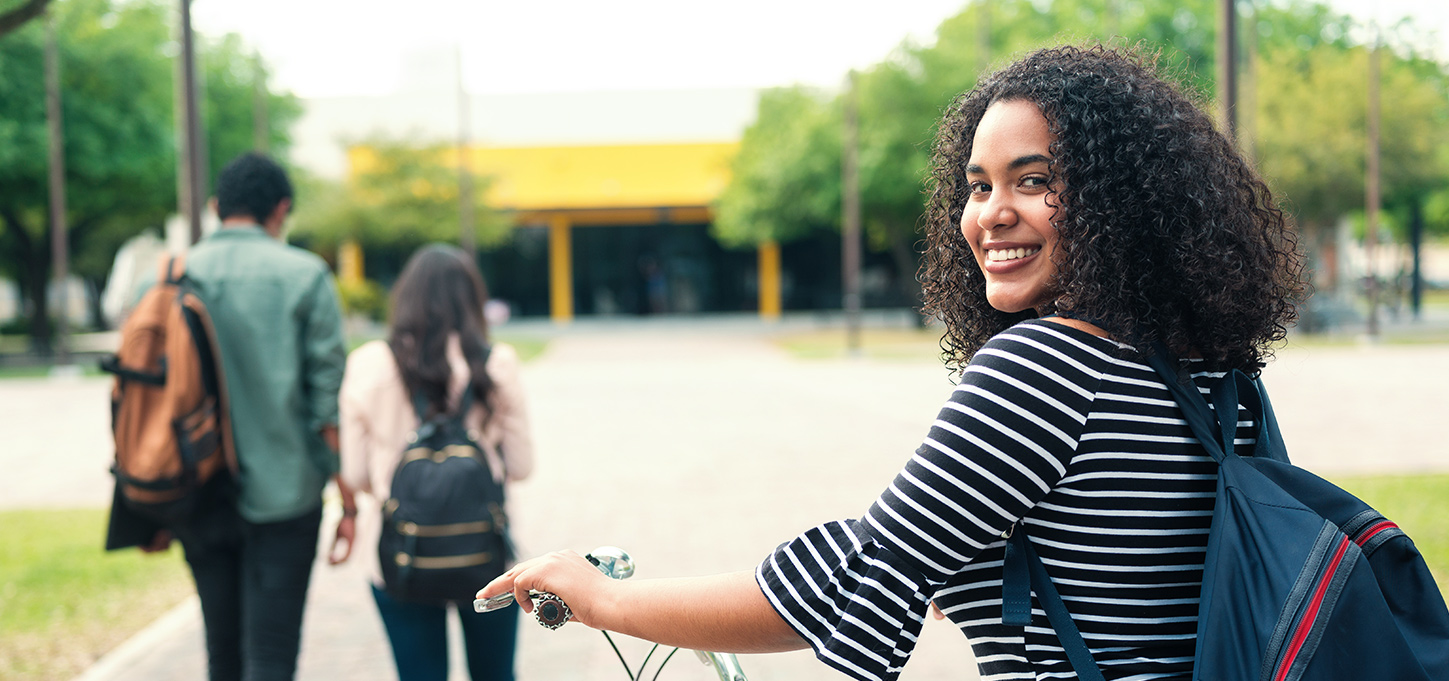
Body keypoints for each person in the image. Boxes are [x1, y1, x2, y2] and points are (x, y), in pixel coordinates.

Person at [477, 44, 1305, 681]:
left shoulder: (1045, 367)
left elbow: (854, 570)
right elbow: (1135, 565)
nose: (991, 215)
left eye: (1034, 179)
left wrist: (605, 597)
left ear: (1119, 201)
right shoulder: (1214, 374)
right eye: (976, 187)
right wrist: (970, 567)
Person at [146, 152, 349, 681]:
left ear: (216, 207)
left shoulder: (173, 273)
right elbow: (325, 399)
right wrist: (345, 486)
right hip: (286, 493)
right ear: (280, 209)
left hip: (200, 488)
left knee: (223, 655)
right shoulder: (305, 275)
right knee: (272, 657)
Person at [330, 244, 534, 681]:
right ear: (472, 299)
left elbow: (356, 475)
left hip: (400, 554)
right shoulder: (497, 364)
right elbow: (521, 465)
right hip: (488, 552)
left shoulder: (367, 364)